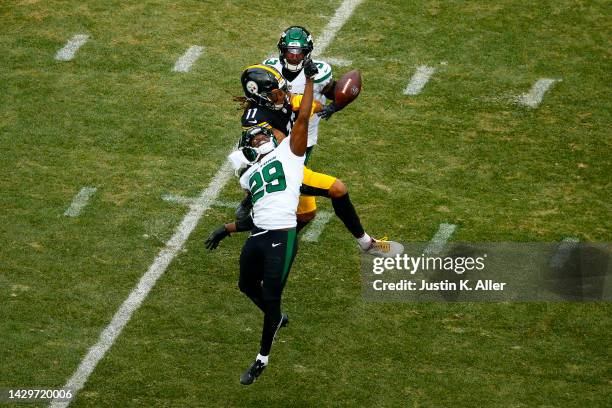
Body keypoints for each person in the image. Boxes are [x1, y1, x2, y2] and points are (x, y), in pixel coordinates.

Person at [207, 28, 403, 256]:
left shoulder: (277, 102)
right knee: (336, 190)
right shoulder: (256, 123)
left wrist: (331, 103)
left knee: (306, 214)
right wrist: (304, 103)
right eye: (277, 93)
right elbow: (286, 142)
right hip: (276, 170)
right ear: (263, 97)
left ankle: (257, 235)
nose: (284, 94)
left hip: (286, 163)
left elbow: (310, 104)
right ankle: (366, 243)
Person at [234, 62, 317, 385]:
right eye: (275, 92)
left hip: (282, 205)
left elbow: (304, 113)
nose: (280, 96)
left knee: (310, 210)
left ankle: (262, 358)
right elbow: (296, 127)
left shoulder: (272, 113)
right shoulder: (259, 128)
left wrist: (314, 94)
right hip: (278, 177)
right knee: (252, 287)